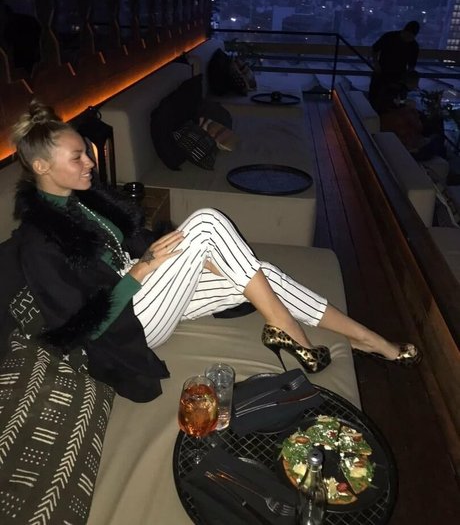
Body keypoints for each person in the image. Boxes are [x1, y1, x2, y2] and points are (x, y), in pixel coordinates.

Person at [9, 100, 421, 402]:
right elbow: (83, 328)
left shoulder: (84, 199)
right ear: (42, 167)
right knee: (207, 222)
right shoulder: (38, 240)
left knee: (258, 273)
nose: (90, 162)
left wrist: (182, 261)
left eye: (86, 152)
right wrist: (142, 271)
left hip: (145, 294)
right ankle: (286, 330)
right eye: (78, 157)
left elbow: (133, 248)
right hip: (125, 326)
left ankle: (365, 338)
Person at [369, 20, 421, 112]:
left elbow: (411, 66)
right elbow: (374, 49)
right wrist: (376, 64)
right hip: (381, 72)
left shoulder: (414, 46)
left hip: (399, 77)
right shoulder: (389, 37)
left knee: (396, 104)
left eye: (411, 37)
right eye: (408, 36)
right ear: (404, 31)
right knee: (374, 99)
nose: (408, 39)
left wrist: (407, 81)